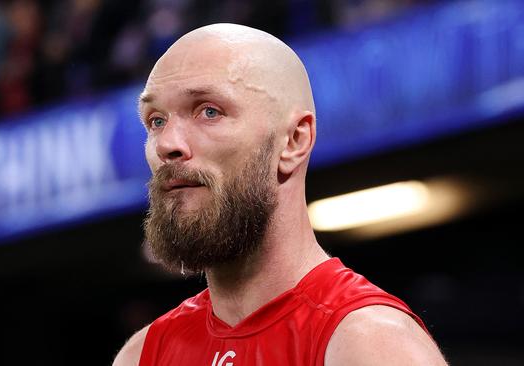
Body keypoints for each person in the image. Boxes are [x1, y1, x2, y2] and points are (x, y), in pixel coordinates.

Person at [114, 23, 448, 366]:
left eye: (209, 111)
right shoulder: (142, 356)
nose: (167, 144)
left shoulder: (370, 344)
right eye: (155, 121)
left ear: (294, 141)